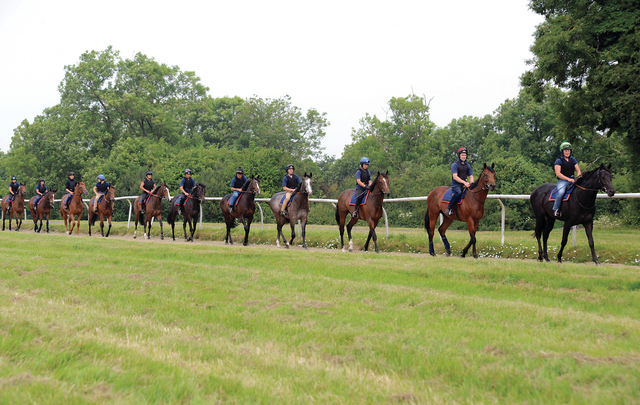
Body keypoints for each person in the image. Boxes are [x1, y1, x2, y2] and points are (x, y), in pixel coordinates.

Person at [552, 141, 582, 217]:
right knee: (561, 192)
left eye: (568, 150)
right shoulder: (559, 161)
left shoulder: (573, 160)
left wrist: (578, 177)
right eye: (565, 151)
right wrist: (568, 179)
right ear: (562, 152)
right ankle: (556, 209)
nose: (567, 152)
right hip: (562, 181)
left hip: (573, 179)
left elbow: (578, 170)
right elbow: (558, 174)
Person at [446, 147, 474, 216]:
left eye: (465, 155)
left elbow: (471, 176)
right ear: (459, 156)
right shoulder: (455, 165)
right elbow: (455, 177)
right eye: (462, 155)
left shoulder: (468, 165)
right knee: (458, 193)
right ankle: (449, 208)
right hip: (456, 185)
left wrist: (471, 184)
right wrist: (464, 182)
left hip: (465, 185)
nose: (464, 156)